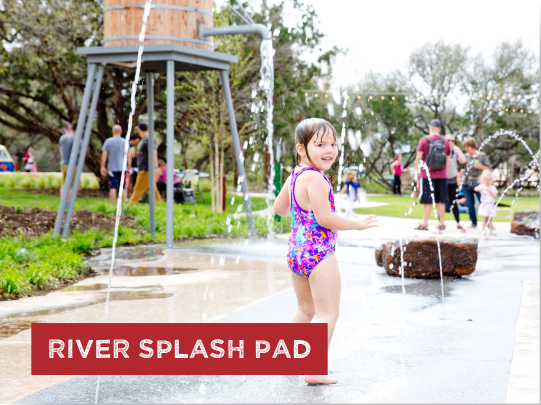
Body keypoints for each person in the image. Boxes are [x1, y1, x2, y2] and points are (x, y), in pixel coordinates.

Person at [273, 118, 378, 385]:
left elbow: (280, 209)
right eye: (320, 144)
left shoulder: (295, 175)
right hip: (319, 254)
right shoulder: (316, 179)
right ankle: (314, 369)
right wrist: (356, 224)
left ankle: (285, 358)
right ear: (301, 148)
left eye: (332, 143)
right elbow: (325, 219)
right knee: (328, 313)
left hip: (297, 252)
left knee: (305, 309)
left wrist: (301, 208)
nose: (329, 150)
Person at [414, 119, 451, 231]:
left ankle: (425, 224)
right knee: (441, 200)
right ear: (439, 129)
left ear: (429, 127)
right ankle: (441, 223)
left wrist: (417, 173)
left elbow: (418, 159)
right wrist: (444, 172)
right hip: (442, 176)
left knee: (428, 201)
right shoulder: (445, 142)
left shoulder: (424, 140)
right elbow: (448, 161)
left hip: (427, 175)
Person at [461, 137, 490, 229]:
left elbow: (488, 168)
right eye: (465, 147)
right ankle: (473, 222)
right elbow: (461, 168)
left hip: (479, 183)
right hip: (467, 183)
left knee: (484, 202)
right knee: (470, 204)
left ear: (473, 146)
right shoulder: (465, 157)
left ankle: (488, 223)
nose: (466, 149)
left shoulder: (482, 155)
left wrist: (480, 166)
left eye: (467, 147)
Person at [130, 122, 161, 204]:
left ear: (139, 129)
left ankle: (130, 206)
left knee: (137, 189)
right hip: (143, 168)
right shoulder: (143, 140)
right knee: (152, 189)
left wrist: (155, 167)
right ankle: (159, 205)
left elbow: (154, 152)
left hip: (146, 169)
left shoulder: (148, 139)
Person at [444, 134, 467, 232]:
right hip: (442, 180)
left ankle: (458, 223)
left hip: (452, 180)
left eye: (453, 141)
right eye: (448, 140)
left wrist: (457, 149)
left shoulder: (455, 152)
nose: (451, 142)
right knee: (441, 202)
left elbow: (463, 160)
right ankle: (441, 223)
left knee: (454, 201)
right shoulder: (442, 151)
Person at [101, 125, 128, 206]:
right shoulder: (125, 141)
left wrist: (103, 166)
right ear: (121, 132)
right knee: (123, 187)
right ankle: (124, 205)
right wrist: (129, 167)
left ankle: (113, 205)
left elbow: (104, 155)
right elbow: (129, 155)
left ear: (112, 131)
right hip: (123, 169)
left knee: (112, 187)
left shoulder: (108, 141)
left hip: (112, 169)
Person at [474, 170, 498, 235]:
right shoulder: (482, 187)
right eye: (486, 179)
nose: (488, 181)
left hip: (490, 205)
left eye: (489, 179)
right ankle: (483, 230)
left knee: (490, 219)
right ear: (483, 180)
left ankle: (490, 231)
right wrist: (483, 188)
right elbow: (475, 189)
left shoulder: (492, 188)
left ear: (491, 180)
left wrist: (491, 193)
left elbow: (495, 196)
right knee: (484, 218)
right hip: (485, 205)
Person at [59, 122, 78, 198]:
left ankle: (62, 202)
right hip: (73, 164)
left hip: (63, 163)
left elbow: (61, 150)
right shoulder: (76, 138)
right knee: (71, 185)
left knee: (64, 183)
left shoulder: (62, 137)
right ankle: (68, 202)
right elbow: (80, 152)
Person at [126, 133, 140, 201]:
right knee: (128, 182)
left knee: (131, 182)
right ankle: (127, 196)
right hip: (130, 166)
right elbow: (129, 155)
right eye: (136, 141)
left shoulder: (131, 146)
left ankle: (129, 196)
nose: (136, 142)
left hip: (132, 166)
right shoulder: (128, 146)